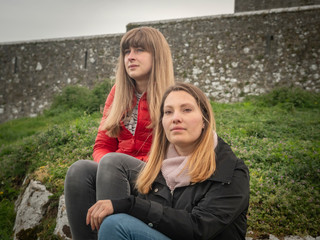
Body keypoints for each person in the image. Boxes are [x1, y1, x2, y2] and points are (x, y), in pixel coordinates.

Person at [86, 82, 250, 240]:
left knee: (116, 225)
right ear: (162, 122)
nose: (176, 118)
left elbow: (199, 229)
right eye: (168, 112)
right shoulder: (158, 168)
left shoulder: (230, 170)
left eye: (186, 110)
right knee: (82, 172)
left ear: (204, 120)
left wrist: (130, 204)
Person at [64, 26, 175, 240]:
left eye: (139, 50)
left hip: (156, 179)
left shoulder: (173, 96)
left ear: (157, 56)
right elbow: (102, 146)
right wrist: (110, 167)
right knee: (78, 170)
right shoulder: (118, 92)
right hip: (116, 171)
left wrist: (118, 164)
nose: (130, 57)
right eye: (126, 52)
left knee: (114, 162)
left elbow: (174, 153)